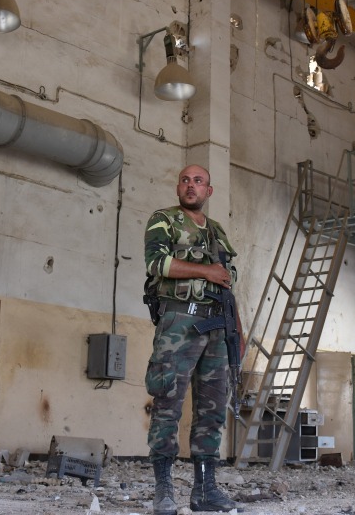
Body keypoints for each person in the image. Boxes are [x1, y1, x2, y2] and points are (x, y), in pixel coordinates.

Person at [144, 164, 243, 514]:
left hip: (217, 325)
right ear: (178, 188)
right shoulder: (164, 220)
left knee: (212, 409)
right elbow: (156, 264)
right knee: (167, 404)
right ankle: (164, 489)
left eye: (198, 181)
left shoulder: (217, 231)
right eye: (185, 180)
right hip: (179, 322)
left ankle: (205, 490)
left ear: (208, 191)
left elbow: (227, 283)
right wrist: (206, 272)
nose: (191, 186)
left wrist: (237, 331)